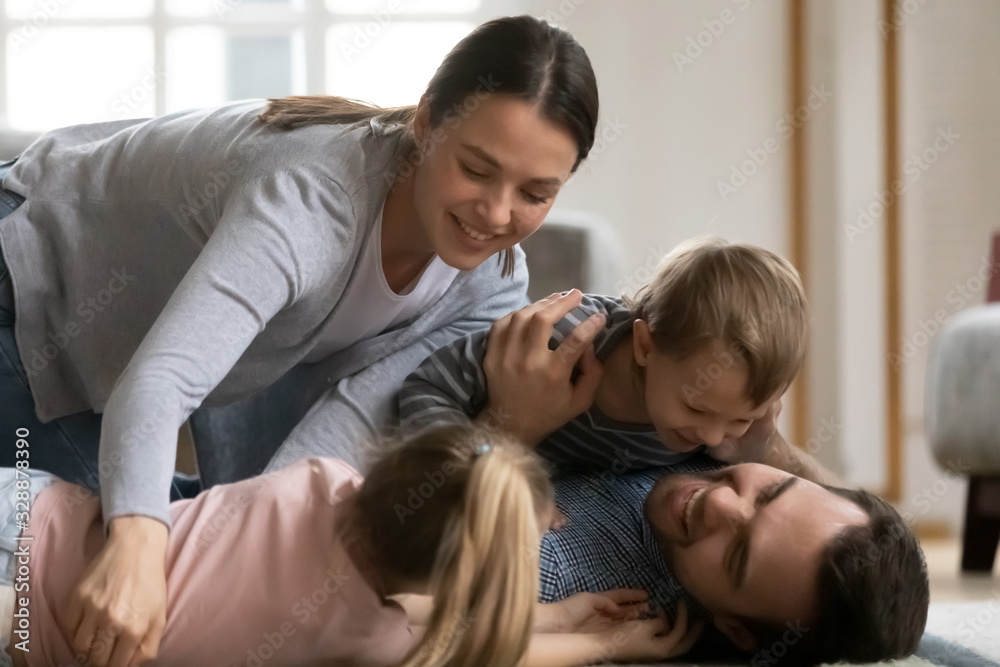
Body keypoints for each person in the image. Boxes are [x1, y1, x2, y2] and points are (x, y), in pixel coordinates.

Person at [0, 15, 599, 665]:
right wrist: (138, 543)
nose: (497, 213)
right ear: (427, 124)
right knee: (69, 575)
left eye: (536, 193)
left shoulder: (490, 287)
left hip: (121, 375)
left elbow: (327, 458)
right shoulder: (313, 200)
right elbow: (162, 380)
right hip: (30, 289)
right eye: (477, 169)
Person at [0, 425, 700, 667]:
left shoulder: (319, 482)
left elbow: (432, 608)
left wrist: (559, 611)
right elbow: (479, 648)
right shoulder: (368, 637)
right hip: (22, 629)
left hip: (29, 505)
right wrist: (603, 642)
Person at [400, 237, 833, 483]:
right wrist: (490, 474)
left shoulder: (723, 425)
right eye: (696, 407)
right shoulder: (562, 341)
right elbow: (428, 387)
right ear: (645, 346)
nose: (714, 437)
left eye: (740, 419)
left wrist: (758, 447)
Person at [534, 456, 930, 665]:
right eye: (770, 491)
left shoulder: (551, 573)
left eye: (738, 554)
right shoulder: (714, 434)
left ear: (736, 630)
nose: (719, 501)